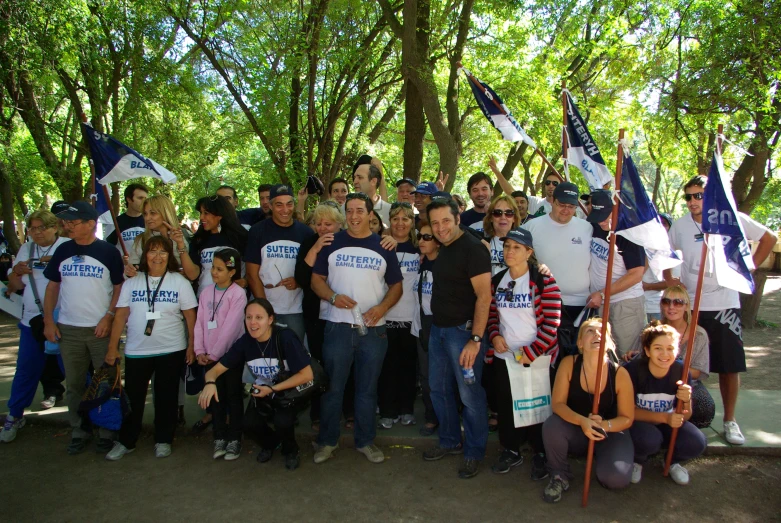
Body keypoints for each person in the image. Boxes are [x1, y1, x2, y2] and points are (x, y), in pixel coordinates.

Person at [667, 175, 777, 444]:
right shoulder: (680, 226)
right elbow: (667, 254)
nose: (692, 201)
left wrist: (747, 268)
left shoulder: (732, 218)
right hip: (691, 307)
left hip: (724, 305)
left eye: (698, 195)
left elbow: (769, 238)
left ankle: (730, 420)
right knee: (680, 363)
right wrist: (672, 279)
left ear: (712, 194)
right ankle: (677, 417)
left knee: (729, 366)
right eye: (689, 196)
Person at [310, 192, 403, 465]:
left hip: (374, 331)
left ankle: (365, 441)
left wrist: (382, 308)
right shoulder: (331, 242)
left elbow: (396, 286)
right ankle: (327, 442)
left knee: (367, 390)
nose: (353, 216)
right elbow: (317, 280)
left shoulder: (384, 246)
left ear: (370, 214)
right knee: (333, 388)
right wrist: (332, 297)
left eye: (359, 210)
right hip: (337, 328)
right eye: (349, 210)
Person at [103, 236, 197, 460]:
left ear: (170, 256)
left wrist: (193, 345)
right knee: (132, 398)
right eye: (153, 252)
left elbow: (191, 316)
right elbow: (120, 316)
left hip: (171, 349)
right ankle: (127, 441)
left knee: (167, 398)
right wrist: (112, 348)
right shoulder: (132, 282)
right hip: (137, 350)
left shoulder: (179, 282)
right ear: (145, 255)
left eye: (163, 252)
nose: (158, 257)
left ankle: (164, 439)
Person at [43, 201, 125, 454]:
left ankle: (107, 430)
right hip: (69, 330)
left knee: (106, 382)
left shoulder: (108, 252)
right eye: (65, 222)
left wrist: (109, 317)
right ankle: (79, 428)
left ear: (91, 224)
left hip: (100, 330)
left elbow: (120, 287)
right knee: (75, 384)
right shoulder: (63, 250)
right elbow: (53, 286)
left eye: (73, 222)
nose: (67, 226)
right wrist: (48, 320)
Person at [199, 299, 314, 470]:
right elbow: (214, 370)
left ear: (270, 319)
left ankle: (291, 450)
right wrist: (209, 382)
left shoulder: (285, 337)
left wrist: (273, 389)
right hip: (263, 390)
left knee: (282, 421)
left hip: (289, 389)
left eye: (259, 317)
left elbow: (307, 375)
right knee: (249, 424)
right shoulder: (245, 342)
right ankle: (271, 443)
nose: (252, 322)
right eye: (248, 317)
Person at [423, 196, 492, 479]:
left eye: (446, 221)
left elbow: (484, 297)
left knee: (470, 395)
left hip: (463, 335)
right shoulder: (443, 247)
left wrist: (475, 340)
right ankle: (450, 441)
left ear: (458, 218)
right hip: (438, 331)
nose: (440, 228)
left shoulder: (474, 250)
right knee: (438, 390)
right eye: (435, 223)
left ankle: (474, 452)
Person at [486, 227, 561, 479]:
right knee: (507, 406)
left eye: (516, 247)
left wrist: (533, 351)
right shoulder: (497, 280)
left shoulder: (542, 280)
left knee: (539, 407)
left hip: (537, 358)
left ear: (529, 252)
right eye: (507, 246)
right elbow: (491, 315)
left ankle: (541, 452)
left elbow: (552, 323)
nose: (510, 251)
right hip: (505, 357)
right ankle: (511, 449)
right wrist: (495, 335)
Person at [541, 318, 634, 503]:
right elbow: (558, 404)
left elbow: (627, 418)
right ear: (580, 342)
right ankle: (559, 475)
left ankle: (606, 459)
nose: (597, 334)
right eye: (590, 331)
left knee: (616, 479)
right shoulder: (569, 364)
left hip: (610, 432)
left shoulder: (620, 374)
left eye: (602, 332)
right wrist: (583, 421)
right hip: (576, 428)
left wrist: (604, 425)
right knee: (552, 425)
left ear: (609, 342)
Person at [1, 211, 69, 443]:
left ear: (55, 228)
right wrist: (17, 272)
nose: (37, 233)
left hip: (64, 320)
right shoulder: (26, 249)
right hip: (31, 320)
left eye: (42, 228)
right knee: (26, 369)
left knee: (75, 370)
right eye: (33, 229)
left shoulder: (66, 246)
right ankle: (15, 415)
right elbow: (14, 285)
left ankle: (89, 417)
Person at [625, 322, 707, 485]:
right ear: (647, 351)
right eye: (658, 348)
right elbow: (627, 411)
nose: (664, 354)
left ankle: (671, 461)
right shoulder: (632, 370)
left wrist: (686, 400)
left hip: (667, 422)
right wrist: (665, 417)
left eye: (670, 348)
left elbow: (686, 415)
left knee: (697, 442)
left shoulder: (682, 372)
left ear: (677, 350)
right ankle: (638, 460)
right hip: (639, 423)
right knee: (649, 439)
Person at [295, 202, 353, 431]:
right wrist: (315, 248)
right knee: (319, 363)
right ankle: (318, 413)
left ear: (339, 224)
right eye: (318, 223)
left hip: (342, 313)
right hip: (315, 313)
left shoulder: (346, 241)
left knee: (345, 362)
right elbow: (301, 277)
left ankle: (348, 410)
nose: (322, 228)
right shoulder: (310, 242)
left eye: (328, 224)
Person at [627, 286, 716, 428]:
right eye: (666, 301)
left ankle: (677, 427)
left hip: (685, 382)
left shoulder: (698, 334)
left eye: (678, 302)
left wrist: (670, 369)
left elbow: (699, 371)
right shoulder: (651, 329)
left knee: (704, 407)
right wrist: (634, 355)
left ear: (687, 306)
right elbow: (643, 359)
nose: (671, 306)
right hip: (652, 381)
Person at [522, 182, 592, 357]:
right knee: (549, 358)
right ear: (552, 201)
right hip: (546, 304)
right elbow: (518, 256)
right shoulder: (532, 227)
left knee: (577, 358)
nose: (566, 210)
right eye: (562, 205)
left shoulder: (587, 228)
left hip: (582, 306)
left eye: (571, 206)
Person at [194, 248, 248, 460]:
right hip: (208, 355)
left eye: (219, 269)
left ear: (232, 271)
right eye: (212, 268)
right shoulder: (207, 292)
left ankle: (235, 438)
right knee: (215, 399)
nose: (214, 272)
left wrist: (215, 353)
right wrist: (199, 350)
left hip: (229, 356)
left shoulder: (238, 294)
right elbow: (199, 323)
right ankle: (219, 437)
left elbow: (231, 328)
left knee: (233, 397)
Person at [245, 184, 315, 342]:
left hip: (295, 309)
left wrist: (299, 282)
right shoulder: (257, 231)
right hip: (266, 307)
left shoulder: (306, 233)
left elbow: (312, 271)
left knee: (294, 355)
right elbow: (251, 274)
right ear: (270, 206)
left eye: (289, 204)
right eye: (279, 205)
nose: (285, 210)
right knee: (265, 355)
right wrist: (264, 309)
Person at [586, 190, 647, 357]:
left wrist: (603, 293)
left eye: (606, 215)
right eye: (598, 215)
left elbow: (636, 273)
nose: (602, 221)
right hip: (601, 303)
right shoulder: (594, 225)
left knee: (627, 356)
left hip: (625, 304)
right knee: (605, 357)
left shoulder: (628, 232)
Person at [378, 202, 420, 429]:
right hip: (385, 316)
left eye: (405, 219)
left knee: (408, 366)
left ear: (412, 223)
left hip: (410, 318)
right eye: (396, 218)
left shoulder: (419, 247)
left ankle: (406, 409)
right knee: (387, 366)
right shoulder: (381, 246)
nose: (400, 223)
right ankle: (387, 410)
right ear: (389, 221)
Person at [178, 195, 248, 296]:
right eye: (201, 213)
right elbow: (193, 275)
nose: (202, 217)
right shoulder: (199, 240)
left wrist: (245, 281)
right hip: (204, 300)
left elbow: (253, 268)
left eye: (206, 213)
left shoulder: (240, 237)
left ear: (220, 215)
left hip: (233, 300)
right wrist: (180, 244)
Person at [411, 224, 440, 436]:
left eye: (427, 237)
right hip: (421, 327)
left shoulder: (446, 264)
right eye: (420, 236)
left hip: (441, 327)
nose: (421, 240)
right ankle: (431, 417)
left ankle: (447, 417)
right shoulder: (419, 263)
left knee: (443, 378)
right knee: (426, 376)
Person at [125, 195, 188, 270]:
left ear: (165, 213)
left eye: (153, 213)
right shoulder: (141, 240)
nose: (147, 218)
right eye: (145, 214)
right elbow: (132, 269)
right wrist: (130, 272)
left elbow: (195, 269)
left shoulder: (186, 235)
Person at [642, 212, 679, 322]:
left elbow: (673, 282)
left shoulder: (673, 253)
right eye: (657, 223)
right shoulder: (641, 247)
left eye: (664, 224)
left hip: (656, 306)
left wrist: (647, 286)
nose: (661, 227)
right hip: (637, 305)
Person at [105, 183, 148, 256]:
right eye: (140, 198)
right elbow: (107, 250)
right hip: (125, 266)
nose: (144, 202)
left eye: (145, 199)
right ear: (129, 199)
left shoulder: (150, 221)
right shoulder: (115, 223)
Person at [482, 195, 521, 276]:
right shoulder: (482, 242)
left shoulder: (523, 243)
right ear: (491, 218)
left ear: (514, 218)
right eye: (497, 213)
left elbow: (533, 267)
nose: (503, 217)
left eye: (509, 213)